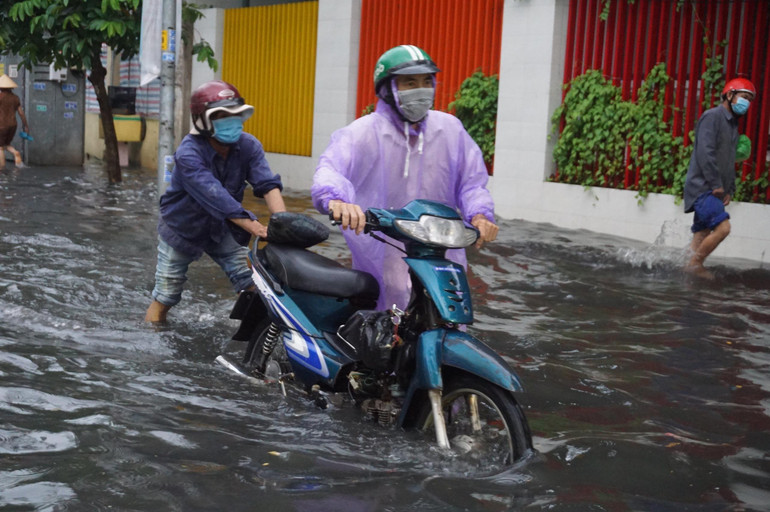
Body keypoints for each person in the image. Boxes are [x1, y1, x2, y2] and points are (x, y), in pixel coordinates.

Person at [311, 44, 499, 311]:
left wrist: (479, 214)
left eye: (426, 81)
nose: (421, 90)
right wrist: (336, 200)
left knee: (448, 314)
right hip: (383, 245)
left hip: (441, 247)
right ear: (388, 89)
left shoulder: (450, 130)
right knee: (385, 325)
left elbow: (472, 182)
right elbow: (330, 169)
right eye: (410, 83)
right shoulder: (363, 132)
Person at [145, 80, 286, 323]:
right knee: (166, 297)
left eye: (235, 114)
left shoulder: (249, 146)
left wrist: (285, 225)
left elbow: (267, 185)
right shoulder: (188, 154)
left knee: (254, 285)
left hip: (224, 229)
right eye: (221, 115)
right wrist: (257, 228)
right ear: (203, 120)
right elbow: (216, 197)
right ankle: (152, 338)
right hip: (182, 229)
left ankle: (254, 342)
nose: (231, 120)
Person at [683, 77, 757, 279]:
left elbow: (728, 161)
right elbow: (705, 153)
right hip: (703, 187)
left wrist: (729, 189)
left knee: (702, 233)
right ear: (729, 94)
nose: (746, 103)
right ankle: (695, 265)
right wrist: (716, 185)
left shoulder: (732, 126)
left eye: (749, 100)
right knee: (723, 228)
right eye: (743, 97)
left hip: (715, 189)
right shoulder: (712, 117)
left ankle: (686, 273)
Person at [0, 73, 30, 170]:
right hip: (13, 125)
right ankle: (15, 152)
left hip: (1, 125)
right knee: (6, 144)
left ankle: (2, 169)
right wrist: (26, 126)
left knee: (0, 147)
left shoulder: (0, 97)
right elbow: (21, 113)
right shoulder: (15, 98)